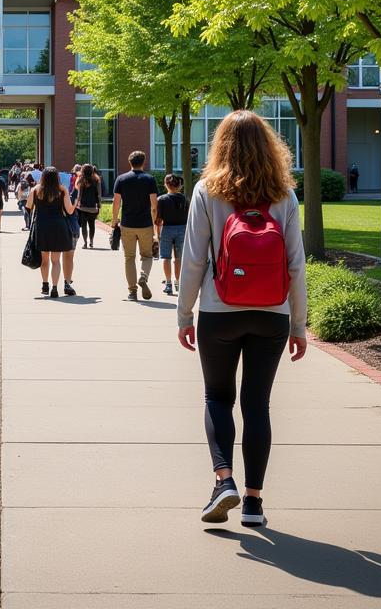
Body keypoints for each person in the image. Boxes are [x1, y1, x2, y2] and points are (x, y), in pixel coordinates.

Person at [177, 110, 307, 527]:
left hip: (220, 311)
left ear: (220, 146)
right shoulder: (284, 195)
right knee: (257, 405)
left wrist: (184, 314)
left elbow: (194, 259)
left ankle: (223, 481)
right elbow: (296, 264)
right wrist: (298, 325)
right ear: (270, 147)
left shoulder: (207, 191)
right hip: (271, 315)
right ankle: (253, 503)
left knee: (217, 397)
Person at [111, 150, 159, 301]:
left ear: (129, 162)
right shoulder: (149, 179)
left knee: (129, 257)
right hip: (145, 224)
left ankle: (132, 291)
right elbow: (153, 205)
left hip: (127, 224)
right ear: (143, 162)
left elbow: (116, 202)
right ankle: (143, 276)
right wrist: (155, 223)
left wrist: (114, 220)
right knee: (146, 255)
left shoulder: (121, 179)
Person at [26, 166, 77, 298]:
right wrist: (76, 202)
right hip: (58, 226)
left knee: (44, 260)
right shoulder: (62, 190)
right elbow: (70, 211)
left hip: (42, 226)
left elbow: (28, 207)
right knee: (56, 260)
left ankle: (45, 284)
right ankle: (54, 288)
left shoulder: (36, 190)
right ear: (57, 178)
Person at [157, 174, 189, 296]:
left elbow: (159, 220)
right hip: (182, 229)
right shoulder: (185, 199)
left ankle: (168, 283)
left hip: (167, 229)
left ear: (166, 185)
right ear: (179, 185)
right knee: (178, 257)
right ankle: (178, 282)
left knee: (166, 256)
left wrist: (157, 234)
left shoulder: (162, 199)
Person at [75, 163, 102, 248]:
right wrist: (99, 204)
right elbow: (99, 194)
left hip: (83, 207)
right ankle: (91, 241)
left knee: (83, 226)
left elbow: (79, 195)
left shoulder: (81, 180)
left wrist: (76, 204)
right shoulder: (97, 180)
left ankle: (85, 243)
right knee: (92, 225)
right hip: (93, 207)